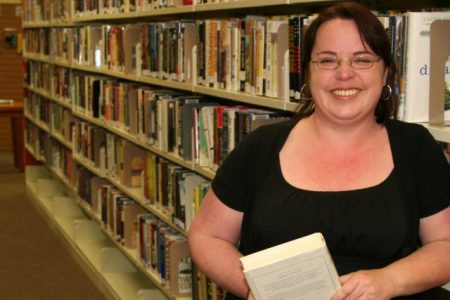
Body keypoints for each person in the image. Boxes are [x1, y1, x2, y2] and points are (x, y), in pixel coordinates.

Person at [187, 2, 450, 299]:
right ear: (308, 76)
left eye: (362, 60)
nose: (344, 74)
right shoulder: (261, 146)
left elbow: (445, 244)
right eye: (327, 61)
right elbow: (206, 236)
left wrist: (389, 281)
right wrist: (254, 290)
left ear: (386, 72)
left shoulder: (416, 147)